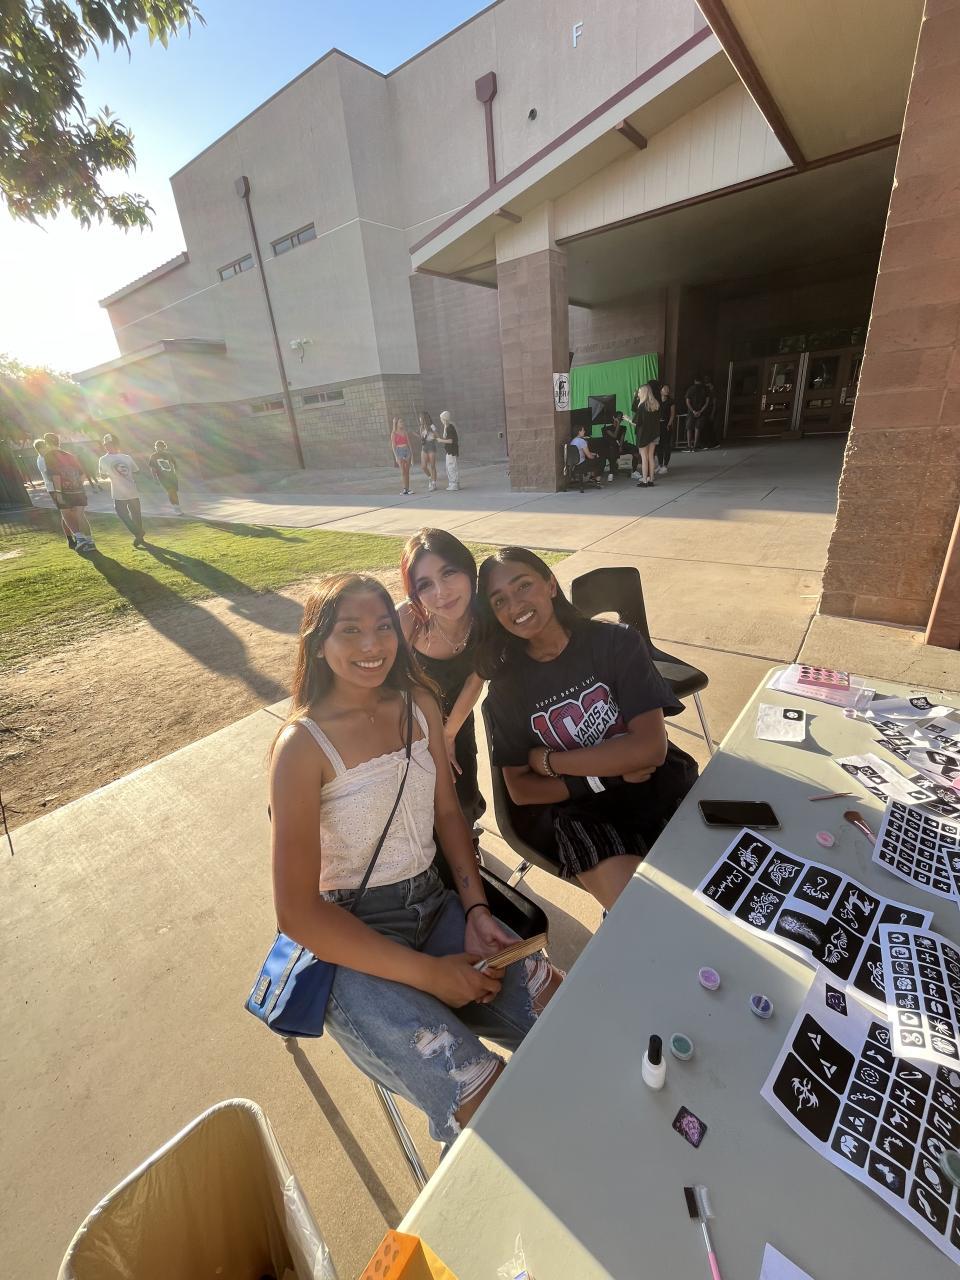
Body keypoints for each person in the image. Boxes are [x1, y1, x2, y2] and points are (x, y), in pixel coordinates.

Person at [269, 573, 560, 1145]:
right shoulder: (301, 747)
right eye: (350, 630)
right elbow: (297, 914)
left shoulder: (420, 704)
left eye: (383, 627)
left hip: (435, 903)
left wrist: (477, 910)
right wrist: (432, 977)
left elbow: (449, 816)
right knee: (487, 1100)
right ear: (317, 643)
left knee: (569, 1007)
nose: (372, 645)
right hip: (350, 940)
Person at [476, 547, 697, 910]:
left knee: (724, 891)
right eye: (499, 601)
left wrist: (550, 762)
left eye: (523, 586)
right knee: (648, 915)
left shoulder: (615, 642)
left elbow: (649, 749)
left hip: (659, 785)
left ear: (550, 584)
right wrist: (608, 775)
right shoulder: (507, 689)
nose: (514, 605)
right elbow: (521, 789)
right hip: (587, 816)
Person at [399, 529, 486, 836]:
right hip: (408, 724)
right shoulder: (407, 620)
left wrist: (447, 737)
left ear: (468, 568)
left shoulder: (485, 618)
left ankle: (468, 839)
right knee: (419, 802)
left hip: (457, 719)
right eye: (425, 584)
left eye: (449, 573)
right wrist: (428, 739)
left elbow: (476, 681)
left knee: (462, 794)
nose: (441, 592)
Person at [42, 432, 95, 552]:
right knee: (80, 515)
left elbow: (55, 476)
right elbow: (82, 474)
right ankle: (90, 541)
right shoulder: (70, 455)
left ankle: (80, 539)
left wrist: (58, 493)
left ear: (46, 443)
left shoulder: (49, 456)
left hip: (64, 491)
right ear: (58, 442)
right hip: (78, 490)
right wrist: (77, 486)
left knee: (66, 514)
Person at [98, 434, 147, 548]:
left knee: (134, 515)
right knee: (125, 514)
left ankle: (139, 536)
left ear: (116, 444)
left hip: (127, 491)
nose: (107, 447)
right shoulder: (110, 458)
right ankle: (138, 533)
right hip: (121, 491)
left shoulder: (108, 459)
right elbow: (136, 471)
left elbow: (136, 471)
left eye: (109, 444)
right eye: (106, 445)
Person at [34, 438, 76, 548]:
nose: (47, 448)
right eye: (45, 447)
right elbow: (50, 476)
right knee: (65, 512)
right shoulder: (42, 460)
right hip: (53, 489)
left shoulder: (46, 457)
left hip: (58, 487)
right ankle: (71, 538)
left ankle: (74, 536)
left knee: (69, 512)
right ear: (40, 449)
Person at [632, 382, 661, 488]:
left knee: (644, 458)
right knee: (651, 457)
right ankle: (651, 480)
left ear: (643, 393)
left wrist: (627, 419)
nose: (638, 394)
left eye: (639, 392)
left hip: (644, 435)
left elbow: (637, 422)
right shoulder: (655, 404)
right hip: (654, 434)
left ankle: (644, 481)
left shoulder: (642, 406)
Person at [149, 440, 182, 512]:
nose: (159, 448)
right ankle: (176, 508)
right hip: (163, 478)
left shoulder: (169, 455)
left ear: (164, 447)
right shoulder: (153, 456)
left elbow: (175, 464)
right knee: (170, 491)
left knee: (174, 492)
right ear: (155, 447)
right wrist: (155, 479)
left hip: (172, 476)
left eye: (160, 447)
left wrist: (176, 473)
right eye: (157, 447)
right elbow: (153, 469)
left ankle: (177, 506)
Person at [569, 423, 603, 488]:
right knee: (601, 460)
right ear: (579, 432)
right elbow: (589, 456)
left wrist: (594, 454)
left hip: (574, 465)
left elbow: (581, 452)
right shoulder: (582, 441)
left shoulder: (573, 441)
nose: (584, 432)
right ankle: (597, 480)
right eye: (583, 430)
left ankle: (592, 477)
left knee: (595, 459)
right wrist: (595, 457)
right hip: (582, 465)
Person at [656, 383, 676, 476]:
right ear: (661, 390)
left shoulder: (671, 401)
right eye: (665, 389)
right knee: (658, 445)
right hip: (657, 425)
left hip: (666, 425)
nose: (667, 390)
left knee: (666, 445)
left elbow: (672, 414)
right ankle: (660, 464)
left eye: (668, 389)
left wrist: (669, 424)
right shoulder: (657, 400)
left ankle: (665, 466)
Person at [685, 374, 708, 451]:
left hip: (691, 412)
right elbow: (707, 402)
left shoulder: (690, 389)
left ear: (695, 381)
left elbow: (687, 401)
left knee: (689, 428)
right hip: (701, 412)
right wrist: (700, 411)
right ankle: (695, 445)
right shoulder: (705, 389)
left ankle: (689, 445)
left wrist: (693, 411)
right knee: (697, 428)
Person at [390, 417, 413, 495]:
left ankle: (408, 489)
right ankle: (404, 489)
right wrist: (396, 456)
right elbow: (393, 446)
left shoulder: (405, 432)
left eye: (402, 422)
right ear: (396, 424)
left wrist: (411, 454)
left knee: (407, 471)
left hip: (407, 450)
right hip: (399, 452)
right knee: (403, 471)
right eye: (400, 422)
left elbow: (409, 443)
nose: (402, 423)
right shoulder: (393, 433)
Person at [438, 410, 460, 491]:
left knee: (451, 467)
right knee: (450, 467)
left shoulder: (450, 428)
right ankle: (453, 483)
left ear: (444, 419)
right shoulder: (447, 427)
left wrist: (440, 440)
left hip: (451, 451)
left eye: (441, 419)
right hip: (450, 450)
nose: (441, 420)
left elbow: (450, 441)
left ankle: (454, 484)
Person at [418, 413, 439, 492]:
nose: (420, 420)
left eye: (421, 418)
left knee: (432, 466)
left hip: (431, 445)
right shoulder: (421, 427)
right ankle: (430, 478)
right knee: (423, 466)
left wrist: (430, 431)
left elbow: (437, 436)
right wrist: (421, 436)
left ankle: (434, 483)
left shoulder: (432, 426)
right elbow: (422, 438)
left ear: (424, 419)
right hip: (424, 447)